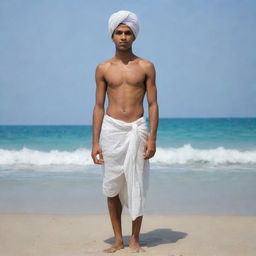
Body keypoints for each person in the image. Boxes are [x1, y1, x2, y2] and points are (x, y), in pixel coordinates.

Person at [91, 10, 159, 253]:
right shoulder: (103, 68)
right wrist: (95, 142)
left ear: (134, 36)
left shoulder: (146, 66)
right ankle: (118, 239)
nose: (123, 37)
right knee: (112, 186)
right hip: (112, 130)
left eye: (127, 32)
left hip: (137, 130)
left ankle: (135, 239)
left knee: (136, 183)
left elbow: (152, 104)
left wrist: (152, 138)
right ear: (112, 36)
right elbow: (99, 106)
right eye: (119, 32)